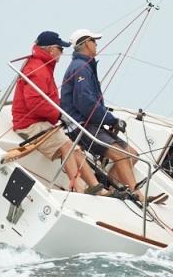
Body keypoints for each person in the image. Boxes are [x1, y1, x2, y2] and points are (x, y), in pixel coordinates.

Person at [11, 31, 106, 195]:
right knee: (66, 144)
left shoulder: (42, 66)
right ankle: (77, 187)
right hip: (28, 124)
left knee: (75, 149)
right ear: (51, 50)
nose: (62, 52)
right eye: (60, 49)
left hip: (40, 121)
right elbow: (34, 103)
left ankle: (97, 187)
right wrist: (58, 115)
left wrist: (59, 114)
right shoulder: (38, 69)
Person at [60, 28, 142, 199]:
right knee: (119, 154)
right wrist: (111, 120)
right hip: (80, 125)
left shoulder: (85, 66)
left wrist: (109, 120)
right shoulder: (80, 67)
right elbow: (85, 102)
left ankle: (111, 188)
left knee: (132, 154)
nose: (96, 45)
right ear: (86, 44)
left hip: (92, 123)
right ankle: (137, 195)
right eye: (94, 41)